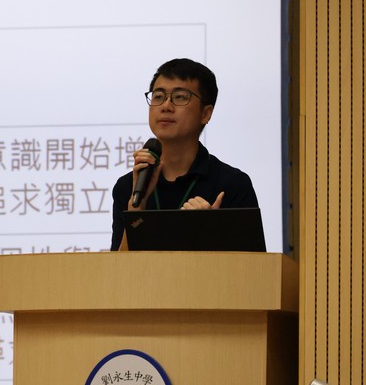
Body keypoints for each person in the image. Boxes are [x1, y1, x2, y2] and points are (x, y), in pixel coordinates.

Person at [111, 58, 259, 250]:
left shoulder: (232, 184)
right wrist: (136, 208)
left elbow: (253, 265)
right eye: (158, 96)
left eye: (180, 97)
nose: (166, 106)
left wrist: (213, 230)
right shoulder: (130, 187)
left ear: (205, 114)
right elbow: (119, 265)